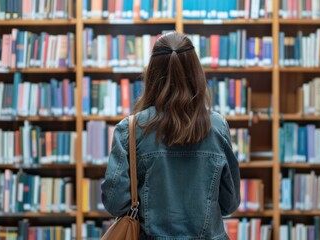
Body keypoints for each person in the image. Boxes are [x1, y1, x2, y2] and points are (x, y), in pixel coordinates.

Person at [101, 32, 240, 240]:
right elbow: (230, 203)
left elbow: (114, 202)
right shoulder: (218, 126)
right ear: (196, 73)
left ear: (153, 73)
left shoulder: (130, 129)